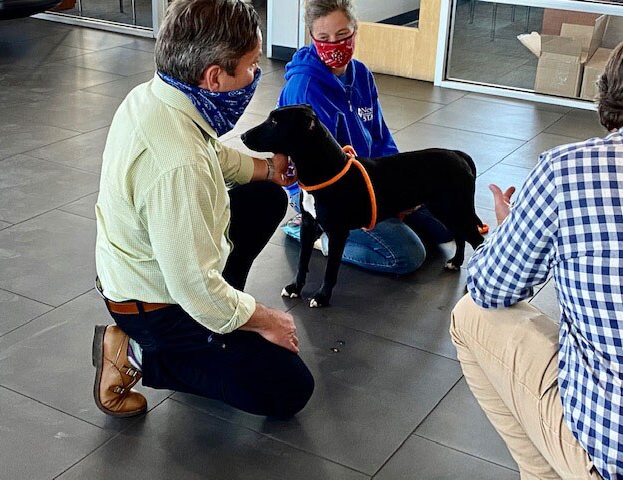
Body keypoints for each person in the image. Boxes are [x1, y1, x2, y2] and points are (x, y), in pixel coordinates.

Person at [92, 0, 314, 420]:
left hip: (150, 275)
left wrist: (270, 170)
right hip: (154, 309)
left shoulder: (157, 96)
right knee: (289, 388)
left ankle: (217, 329)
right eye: (251, 66)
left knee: (266, 197)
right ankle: (135, 353)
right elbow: (193, 287)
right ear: (214, 77)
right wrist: (266, 319)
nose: (256, 75)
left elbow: (210, 152)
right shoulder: (179, 165)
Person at [449, 44, 623, 480]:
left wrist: (511, 232)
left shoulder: (569, 171)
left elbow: (489, 287)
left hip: (611, 456)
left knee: (470, 314)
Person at [277, 0, 451, 275]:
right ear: (311, 36)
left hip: (369, 179)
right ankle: (315, 235)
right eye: (324, 38)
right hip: (327, 193)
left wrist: (400, 185)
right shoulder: (305, 89)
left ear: (355, 31)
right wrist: (384, 199)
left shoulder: (361, 75)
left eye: (342, 35)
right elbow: (322, 174)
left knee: (446, 226)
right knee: (407, 256)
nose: (334, 45)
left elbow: (381, 137)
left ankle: (382, 225)